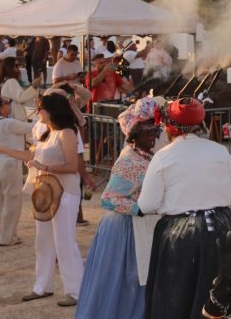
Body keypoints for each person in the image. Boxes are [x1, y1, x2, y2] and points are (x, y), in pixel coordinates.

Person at [138, 97, 231, 319]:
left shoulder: (163, 156)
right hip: (220, 229)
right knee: (214, 295)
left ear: (169, 127)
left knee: (175, 293)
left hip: (178, 233)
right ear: (201, 124)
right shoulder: (220, 151)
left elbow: (147, 204)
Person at [76, 97, 162, 318]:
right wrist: (140, 209)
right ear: (134, 135)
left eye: (154, 128)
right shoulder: (129, 161)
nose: (153, 133)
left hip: (134, 227)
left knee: (134, 282)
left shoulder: (144, 155)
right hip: (124, 230)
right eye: (147, 129)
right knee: (124, 281)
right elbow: (108, 199)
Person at [0, 93, 83, 307]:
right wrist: (1, 149)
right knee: (43, 241)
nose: (37, 112)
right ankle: (42, 286)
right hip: (45, 193)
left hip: (65, 193)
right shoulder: (46, 133)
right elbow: (31, 156)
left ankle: (76, 290)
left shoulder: (67, 133)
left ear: (52, 110)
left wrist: (45, 167)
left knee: (64, 241)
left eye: (40, 108)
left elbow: (73, 166)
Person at [0, 96, 29, 246]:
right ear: (0, 108)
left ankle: (5, 234)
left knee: (1, 201)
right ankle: (8, 237)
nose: (9, 105)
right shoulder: (7, 123)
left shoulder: (1, 122)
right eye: (7, 103)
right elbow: (30, 127)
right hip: (9, 166)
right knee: (12, 202)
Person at [0, 56, 39, 121]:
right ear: (9, 67)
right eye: (16, 65)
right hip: (15, 117)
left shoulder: (3, 81)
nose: (18, 68)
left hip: (9, 116)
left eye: (18, 65)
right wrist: (34, 86)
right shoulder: (11, 81)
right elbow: (21, 98)